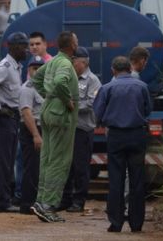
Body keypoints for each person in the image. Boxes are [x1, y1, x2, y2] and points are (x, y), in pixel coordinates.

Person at [93, 56, 152, 233]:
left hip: (116, 136)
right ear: (129, 69)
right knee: (137, 180)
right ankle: (136, 223)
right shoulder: (142, 87)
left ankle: (116, 222)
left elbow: (98, 113)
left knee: (116, 179)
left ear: (113, 71)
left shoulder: (107, 88)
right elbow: (148, 109)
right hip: (137, 134)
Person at [30, 31, 80, 223]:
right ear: (72, 45)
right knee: (59, 161)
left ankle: (40, 201)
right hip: (61, 116)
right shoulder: (65, 63)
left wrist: (48, 96)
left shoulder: (52, 61)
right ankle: (48, 205)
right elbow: (60, 82)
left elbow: (36, 79)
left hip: (48, 111)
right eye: (76, 41)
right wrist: (66, 100)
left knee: (47, 159)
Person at [0, 32, 30, 212]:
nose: (27, 50)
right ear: (14, 48)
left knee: (8, 161)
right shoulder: (6, 66)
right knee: (4, 161)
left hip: (11, 117)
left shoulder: (16, 66)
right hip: (4, 117)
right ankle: (1, 201)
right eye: (24, 47)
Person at [61, 47, 101, 213]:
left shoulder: (93, 81)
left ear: (83, 62)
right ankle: (65, 199)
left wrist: (71, 105)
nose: (71, 64)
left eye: (74, 61)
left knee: (80, 167)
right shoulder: (69, 78)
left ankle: (79, 200)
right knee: (66, 166)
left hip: (82, 130)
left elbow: (92, 103)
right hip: (67, 130)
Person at [18, 56, 46, 214]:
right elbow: (27, 113)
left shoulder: (43, 87)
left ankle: (37, 201)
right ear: (29, 70)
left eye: (40, 68)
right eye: (34, 68)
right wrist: (36, 135)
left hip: (42, 130)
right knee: (32, 168)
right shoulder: (27, 88)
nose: (37, 71)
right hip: (31, 130)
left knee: (40, 168)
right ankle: (28, 203)